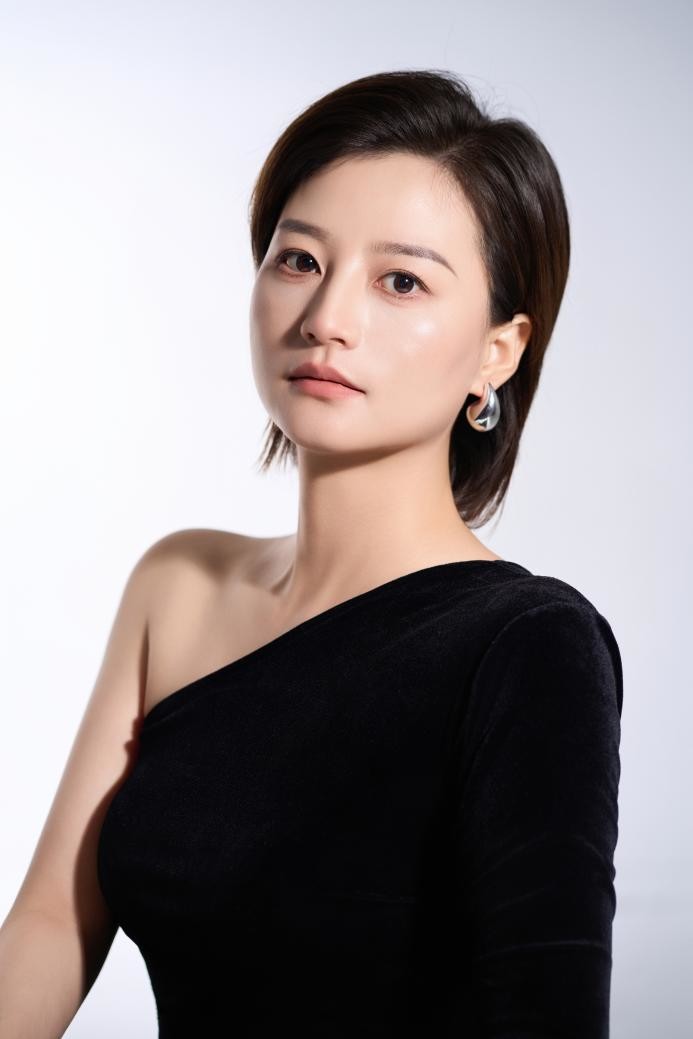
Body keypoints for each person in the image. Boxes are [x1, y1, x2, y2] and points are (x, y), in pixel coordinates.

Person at [0, 69, 623, 1037]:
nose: (327, 318)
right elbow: (51, 922)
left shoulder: (530, 644)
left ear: (497, 351)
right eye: (298, 260)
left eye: (401, 281)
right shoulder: (178, 584)